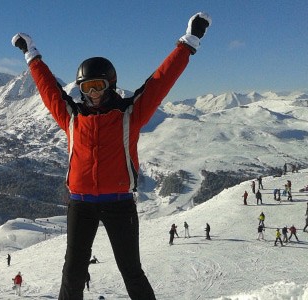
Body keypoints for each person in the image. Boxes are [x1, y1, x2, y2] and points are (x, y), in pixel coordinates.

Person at [11, 11, 212, 300]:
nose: (93, 94)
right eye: (87, 88)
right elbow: (48, 89)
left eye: (99, 87)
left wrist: (188, 42)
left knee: (131, 271)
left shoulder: (129, 114)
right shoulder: (70, 116)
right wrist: (31, 54)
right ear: (80, 90)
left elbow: (159, 82)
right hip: (80, 204)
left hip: (119, 204)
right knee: (73, 272)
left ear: (111, 85)